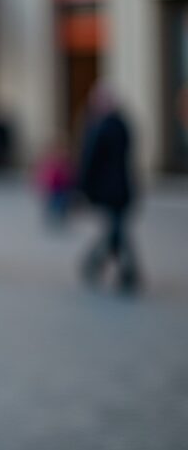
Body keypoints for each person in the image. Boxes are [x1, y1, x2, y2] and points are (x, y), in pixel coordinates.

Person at [77, 85, 141, 294]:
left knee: (116, 228)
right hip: (119, 186)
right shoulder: (120, 124)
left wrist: (81, 186)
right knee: (116, 227)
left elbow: (90, 160)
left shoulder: (101, 127)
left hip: (110, 187)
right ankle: (117, 268)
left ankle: (100, 263)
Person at [35, 139, 74, 229]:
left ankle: (60, 220)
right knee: (52, 205)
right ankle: (51, 220)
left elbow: (69, 176)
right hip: (53, 190)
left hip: (63, 190)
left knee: (62, 206)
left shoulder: (65, 163)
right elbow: (44, 175)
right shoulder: (50, 163)